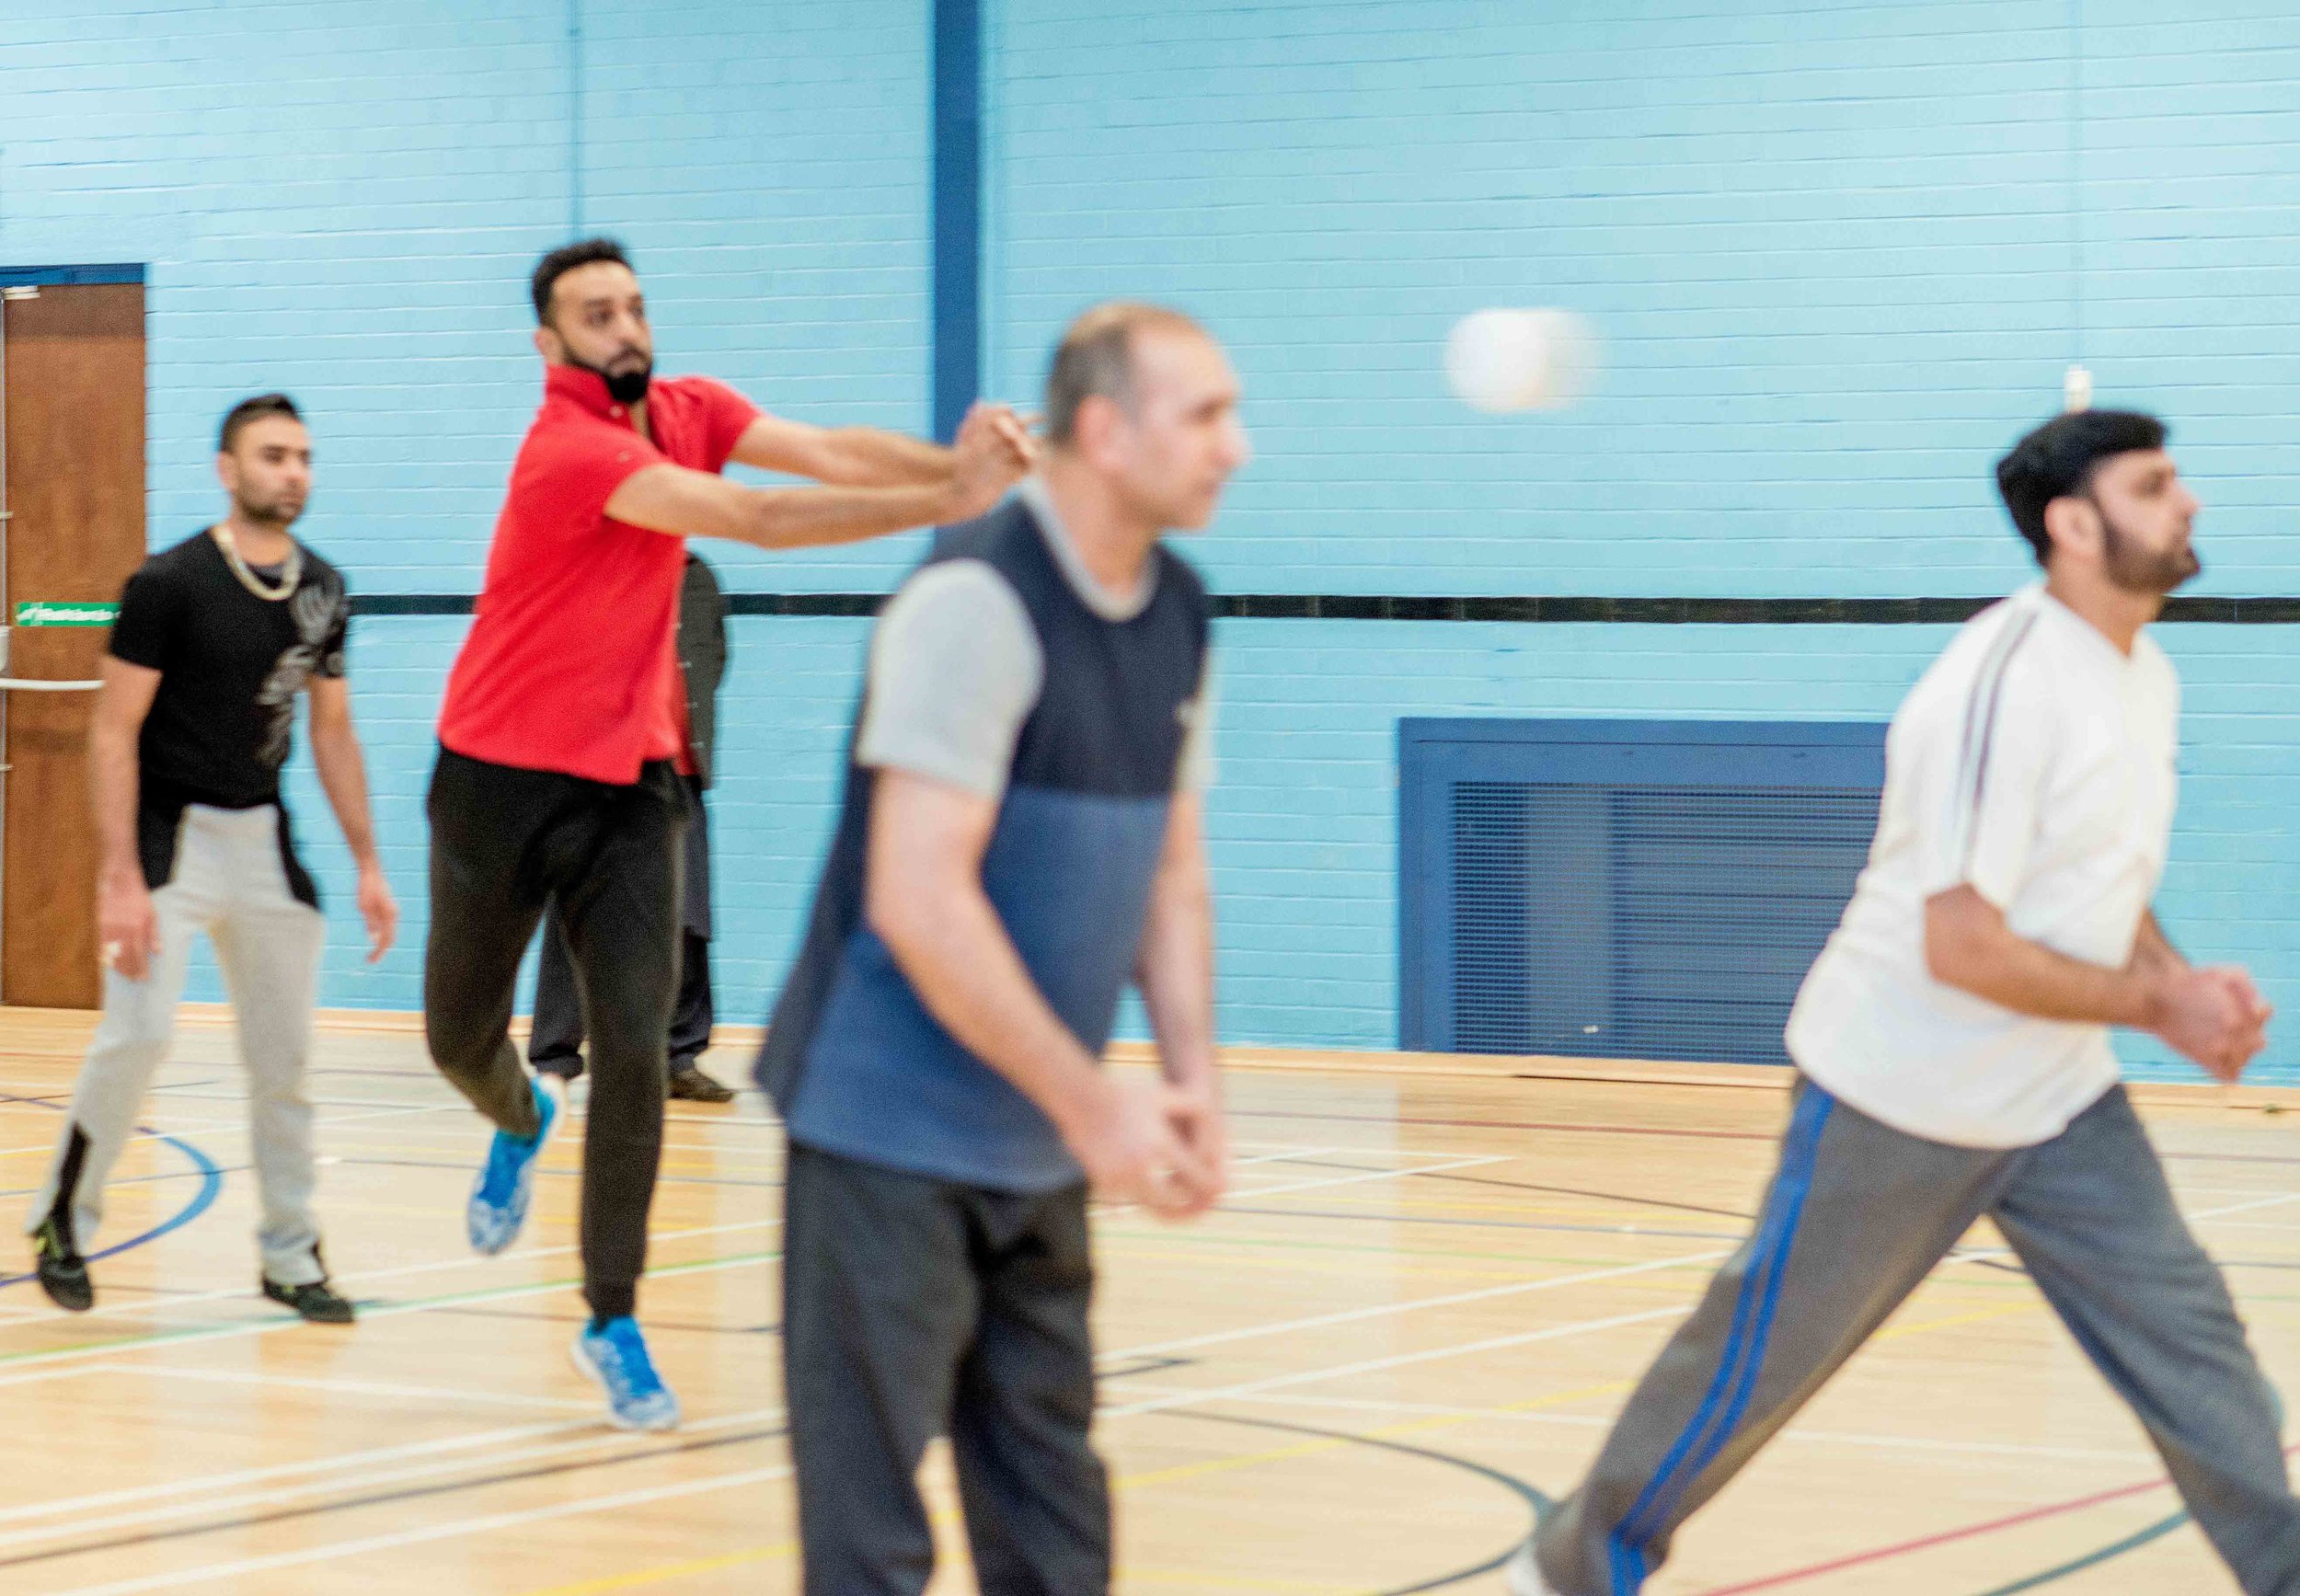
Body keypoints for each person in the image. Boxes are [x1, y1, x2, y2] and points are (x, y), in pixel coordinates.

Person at [1511, 408, 2300, 1596]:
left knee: (2196, 1348)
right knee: (1752, 1366)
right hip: (1902, 1089)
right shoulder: (2001, 679)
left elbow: (2097, 880)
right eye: (2154, 484)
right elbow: (1963, 943)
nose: (2186, 501)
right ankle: (1571, 1571)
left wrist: (2174, 978)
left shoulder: (2147, 674)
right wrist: (2157, 1011)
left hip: (2056, 1100)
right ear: (2073, 524)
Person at [424, 237, 1032, 1431]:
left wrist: (956, 461)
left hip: (632, 787)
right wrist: (953, 500)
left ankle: (611, 1313)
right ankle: (518, 1114)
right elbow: (757, 517)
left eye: (634, 305)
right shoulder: (570, 450)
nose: (625, 325)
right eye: (596, 313)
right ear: (551, 344)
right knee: (458, 1040)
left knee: (635, 1049)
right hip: (496, 784)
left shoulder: (688, 409)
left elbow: (825, 453)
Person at [759, 302, 1245, 1594]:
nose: (1234, 446)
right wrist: (1096, 1105)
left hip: (1033, 1144)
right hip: (884, 1142)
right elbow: (921, 901)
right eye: (1205, 414)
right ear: (1103, 427)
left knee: (1054, 1532)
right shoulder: (972, 602)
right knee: (871, 1552)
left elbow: (1170, 866)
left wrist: (1192, 1078)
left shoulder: (1181, 608)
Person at [27, 393, 397, 1324]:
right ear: (229, 471)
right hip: (168, 842)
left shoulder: (325, 588)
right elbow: (112, 733)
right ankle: (61, 1223)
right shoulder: (168, 584)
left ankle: (292, 1253)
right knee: (139, 1036)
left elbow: (335, 733)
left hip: (264, 841)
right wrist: (119, 877)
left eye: (303, 456)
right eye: (272, 455)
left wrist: (368, 864)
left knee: (286, 1062)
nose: (292, 471)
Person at [529, 550, 734, 1103]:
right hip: (599, 770)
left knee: (690, 918)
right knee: (577, 912)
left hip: (679, 774)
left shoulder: (698, 578)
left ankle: (679, 1056)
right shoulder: (592, 569)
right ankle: (556, 1057)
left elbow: (712, 658)